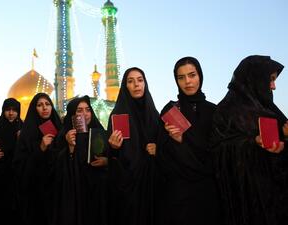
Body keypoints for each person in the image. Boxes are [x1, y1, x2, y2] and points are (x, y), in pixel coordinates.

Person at [210, 55, 288, 225]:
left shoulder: (271, 111)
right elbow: (217, 152)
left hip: (276, 202)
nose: (273, 86)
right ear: (255, 78)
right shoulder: (226, 112)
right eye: (271, 79)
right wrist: (252, 143)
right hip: (244, 204)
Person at [156, 57, 221, 225]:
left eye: (192, 75)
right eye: (181, 77)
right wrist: (176, 142)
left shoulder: (214, 111)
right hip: (179, 194)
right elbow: (161, 155)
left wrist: (185, 141)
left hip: (208, 192)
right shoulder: (170, 110)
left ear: (200, 76)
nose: (187, 81)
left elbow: (219, 151)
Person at [107, 67, 160, 225]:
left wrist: (159, 148)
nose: (136, 84)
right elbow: (113, 160)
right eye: (130, 81)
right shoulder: (117, 115)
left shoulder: (155, 115)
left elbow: (166, 146)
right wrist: (114, 149)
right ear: (125, 86)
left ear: (145, 83)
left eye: (140, 80)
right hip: (129, 188)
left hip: (154, 185)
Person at [52, 95, 108, 225]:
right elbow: (56, 169)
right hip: (74, 194)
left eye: (88, 110)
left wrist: (106, 161)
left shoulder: (99, 133)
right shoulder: (63, 136)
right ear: (72, 114)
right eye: (79, 110)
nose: (85, 114)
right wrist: (70, 147)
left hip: (96, 194)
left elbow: (112, 158)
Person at [13, 93, 62, 225]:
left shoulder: (60, 129)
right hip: (36, 195)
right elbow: (20, 166)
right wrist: (40, 149)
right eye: (40, 105)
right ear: (34, 109)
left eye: (47, 104)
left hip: (58, 191)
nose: (44, 108)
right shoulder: (27, 134)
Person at [0, 98, 23, 225]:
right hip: (0, 178)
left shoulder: (23, 128)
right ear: (3, 111)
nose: (11, 113)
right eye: (8, 110)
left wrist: (21, 140)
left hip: (18, 177)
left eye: (14, 110)